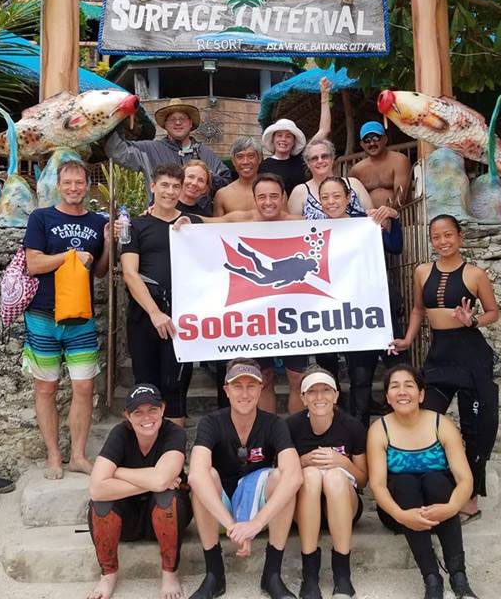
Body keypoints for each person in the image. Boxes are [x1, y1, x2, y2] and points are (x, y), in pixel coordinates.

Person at [390, 214, 499, 523]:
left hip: (471, 357)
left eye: (448, 235)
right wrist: (407, 339)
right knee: (424, 419)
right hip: (439, 356)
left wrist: (473, 320)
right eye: (436, 237)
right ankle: (431, 489)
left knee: (476, 430)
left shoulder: (475, 274)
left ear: (460, 237)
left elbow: (493, 312)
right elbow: (418, 309)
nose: (442, 241)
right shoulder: (422, 271)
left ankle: (470, 501)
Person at [175, 174, 304, 415]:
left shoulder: (299, 222)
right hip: (257, 319)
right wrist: (185, 219)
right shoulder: (242, 219)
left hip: (294, 317)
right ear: (254, 198)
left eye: (274, 196)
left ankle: (296, 434)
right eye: (262, 197)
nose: (268, 202)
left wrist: (371, 219)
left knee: (297, 379)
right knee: (263, 378)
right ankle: (269, 433)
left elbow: (341, 225)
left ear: (283, 198)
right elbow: (208, 222)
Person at [23, 159, 110, 479]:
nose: (74, 188)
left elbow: (99, 271)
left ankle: (78, 456)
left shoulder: (97, 222)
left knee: (84, 386)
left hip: (80, 317)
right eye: (68, 182)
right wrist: (70, 257)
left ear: (87, 185)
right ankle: (53, 456)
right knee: (46, 388)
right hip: (42, 315)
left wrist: (108, 243)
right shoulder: (41, 218)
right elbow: (34, 264)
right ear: (58, 186)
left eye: (79, 182)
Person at [188, 359, 303, 599]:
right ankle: (214, 574)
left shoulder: (274, 423)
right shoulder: (211, 422)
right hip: (220, 511)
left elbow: (294, 476)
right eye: (237, 386)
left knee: (283, 477)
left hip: (258, 510)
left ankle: (272, 574)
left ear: (261, 389)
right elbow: (196, 475)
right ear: (226, 390)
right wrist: (233, 526)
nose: (244, 393)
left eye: (251, 386)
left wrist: (256, 524)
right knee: (206, 476)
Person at [367, 364, 478, 599]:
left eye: (409, 385)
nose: (402, 392)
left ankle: (459, 578)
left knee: (436, 480)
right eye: (395, 387)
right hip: (400, 513)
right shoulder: (379, 430)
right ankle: (432, 580)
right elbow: (377, 485)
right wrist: (400, 515)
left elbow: (465, 479)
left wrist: (452, 507)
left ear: (421, 394)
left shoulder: (441, 424)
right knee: (405, 482)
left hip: (441, 511)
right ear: (387, 396)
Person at [87, 383, 191, 599]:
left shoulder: (174, 433)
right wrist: (153, 481)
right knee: (101, 504)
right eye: (138, 412)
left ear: (162, 409)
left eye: (153, 409)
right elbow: (96, 489)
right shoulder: (120, 434)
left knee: (167, 496)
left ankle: (170, 573)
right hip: (128, 519)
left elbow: (162, 481)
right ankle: (108, 574)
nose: (147, 418)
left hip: (164, 517)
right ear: (127, 416)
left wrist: (118, 472)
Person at [121, 164, 204, 427]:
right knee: (145, 388)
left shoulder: (193, 224)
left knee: (175, 388)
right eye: (164, 185)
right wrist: (154, 312)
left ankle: (174, 449)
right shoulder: (136, 225)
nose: (170, 191)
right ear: (153, 186)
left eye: (176, 186)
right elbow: (130, 273)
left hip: (182, 318)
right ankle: (148, 446)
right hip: (144, 316)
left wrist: (192, 228)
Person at [315, 176, 399, 426]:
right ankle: (335, 425)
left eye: (336, 196)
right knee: (327, 371)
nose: (331, 202)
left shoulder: (366, 224)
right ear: (319, 202)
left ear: (349, 198)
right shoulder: (312, 231)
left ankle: (360, 435)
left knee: (361, 377)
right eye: (325, 197)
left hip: (362, 312)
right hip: (327, 314)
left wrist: (392, 217)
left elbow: (395, 246)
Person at [286, 366, 368, 599]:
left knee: (334, 476)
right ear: (303, 398)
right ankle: (310, 577)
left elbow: (363, 480)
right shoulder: (291, 426)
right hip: (304, 509)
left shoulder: (352, 426)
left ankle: (342, 575)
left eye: (326, 390)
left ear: (336, 395)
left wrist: (343, 463)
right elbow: (280, 475)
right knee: (311, 475)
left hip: (344, 505)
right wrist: (302, 461)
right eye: (312, 391)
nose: (319, 397)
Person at [105, 98, 231, 213]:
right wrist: (114, 118)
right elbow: (117, 151)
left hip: (198, 222)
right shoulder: (148, 149)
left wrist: (204, 177)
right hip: (161, 220)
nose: (178, 122)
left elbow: (226, 182)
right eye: (172, 119)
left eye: (182, 119)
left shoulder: (206, 153)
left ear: (190, 123)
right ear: (165, 125)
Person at [259, 76, 333, 196]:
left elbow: (324, 130)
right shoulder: (264, 167)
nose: (283, 139)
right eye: (279, 135)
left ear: (294, 141)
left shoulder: (301, 160)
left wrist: (324, 95)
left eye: (288, 136)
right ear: (273, 139)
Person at [287, 138, 373, 219]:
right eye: (314, 158)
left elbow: (372, 215)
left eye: (324, 156)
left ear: (332, 159)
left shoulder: (353, 184)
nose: (320, 161)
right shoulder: (300, 191)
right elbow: (292, 225)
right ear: (308, 163)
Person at [348, 121, 411, 208]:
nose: (372, 144)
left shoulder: (399, 161)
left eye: (376, 138)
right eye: (367, 140)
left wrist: (390, 213)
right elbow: (351, 199)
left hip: (398, 213)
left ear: (385, 139)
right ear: (362, 144)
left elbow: (401, 195)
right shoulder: (356, 170)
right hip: (368, 215)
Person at [214, 137, 262, 216]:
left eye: (251, 156)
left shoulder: (274, 191)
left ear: (259, 159)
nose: (245, 162)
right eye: (240, 157)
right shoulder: (222, 195)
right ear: (233, 161)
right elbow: (217, 223)